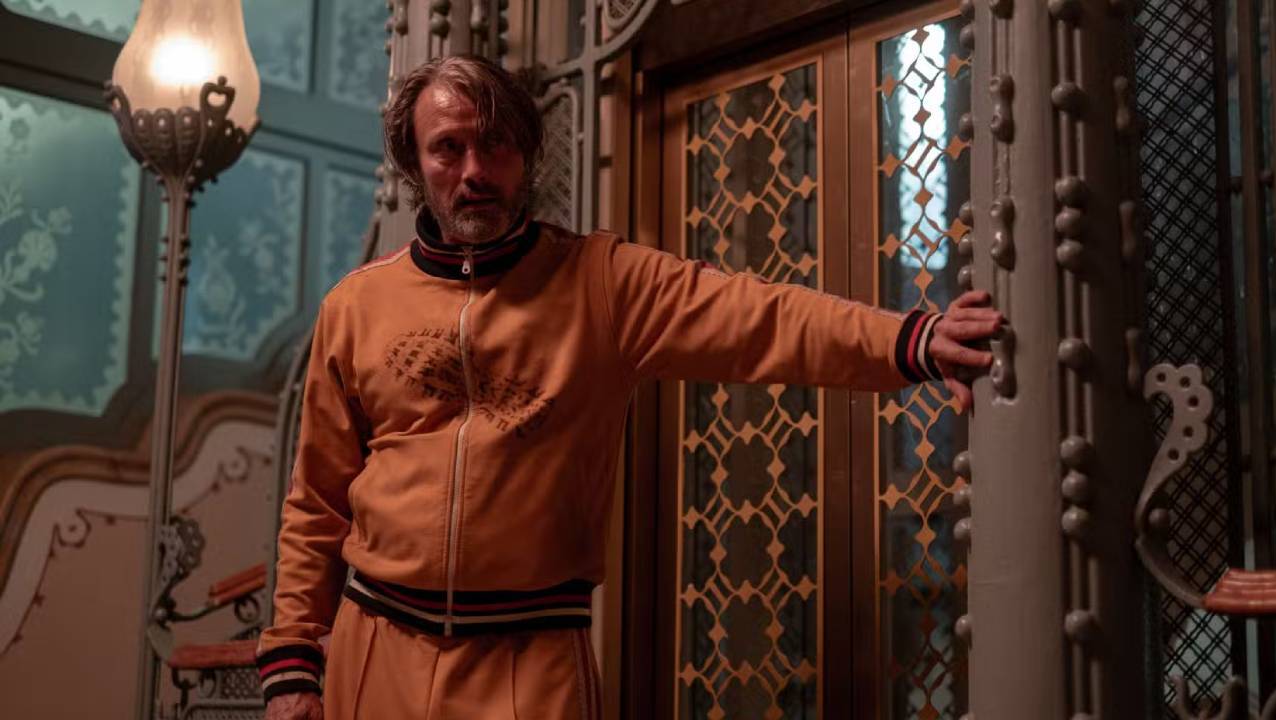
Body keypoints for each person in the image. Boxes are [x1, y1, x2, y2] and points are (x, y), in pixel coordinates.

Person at [257, 54, 1001, 720]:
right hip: (375, 649)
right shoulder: (356, 306)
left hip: (529, 664)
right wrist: (291, 662)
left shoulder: (603, 282)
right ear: (414, 164)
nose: (475, 170)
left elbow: (763, 319)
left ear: (528, 155)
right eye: (448, 148)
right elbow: (317, 501)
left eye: (497, 143)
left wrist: (912, 341)